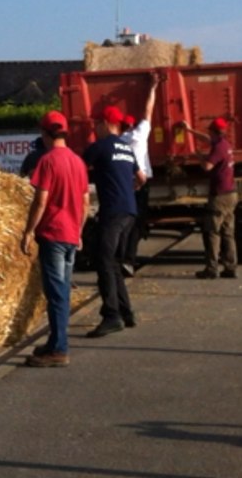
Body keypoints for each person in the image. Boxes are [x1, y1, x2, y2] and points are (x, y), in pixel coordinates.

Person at [19, 110, 89, 367]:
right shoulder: (78, 162)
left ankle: (59, 349)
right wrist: (79, 231)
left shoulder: (47, 161)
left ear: (46, 134)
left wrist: (28, 231)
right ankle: (54, 341)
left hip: (53, 233)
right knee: (63, 291)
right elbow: (85, 201)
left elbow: (41, 200)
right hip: (70, 234)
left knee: (56, 293)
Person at [81, 106, 145, 337]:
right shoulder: (126, 148)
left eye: (97, 123)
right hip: (130, 212)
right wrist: (126, 188)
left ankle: (111, 315)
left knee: (103, 261)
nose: (95, 128)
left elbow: (77, 168)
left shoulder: (100, 146)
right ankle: (126, 312)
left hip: (113, 211)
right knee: (114, 262)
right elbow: (141, 178)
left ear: (107, 124)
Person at [179, 117, 238, 279]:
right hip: (231, 193)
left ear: (213, 131)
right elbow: (206, 139)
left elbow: (207, 167)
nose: (208, 134)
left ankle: (212, 269)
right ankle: (230, 267)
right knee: (228, 232)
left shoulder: (218, 148)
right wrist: (189, 130)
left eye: (210, 131)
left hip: (220, 195)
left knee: (212, 231)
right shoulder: (225, 144)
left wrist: (199, 156)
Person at [120, 72, 161, 275]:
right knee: (137, 222)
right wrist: (152, 87)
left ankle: (121, 258)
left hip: (124, 185)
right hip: (141, 182)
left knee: (123, 222)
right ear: (132, 125)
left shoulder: (118, 140)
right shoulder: (139, 134)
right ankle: (129, 259)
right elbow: (148, 111)